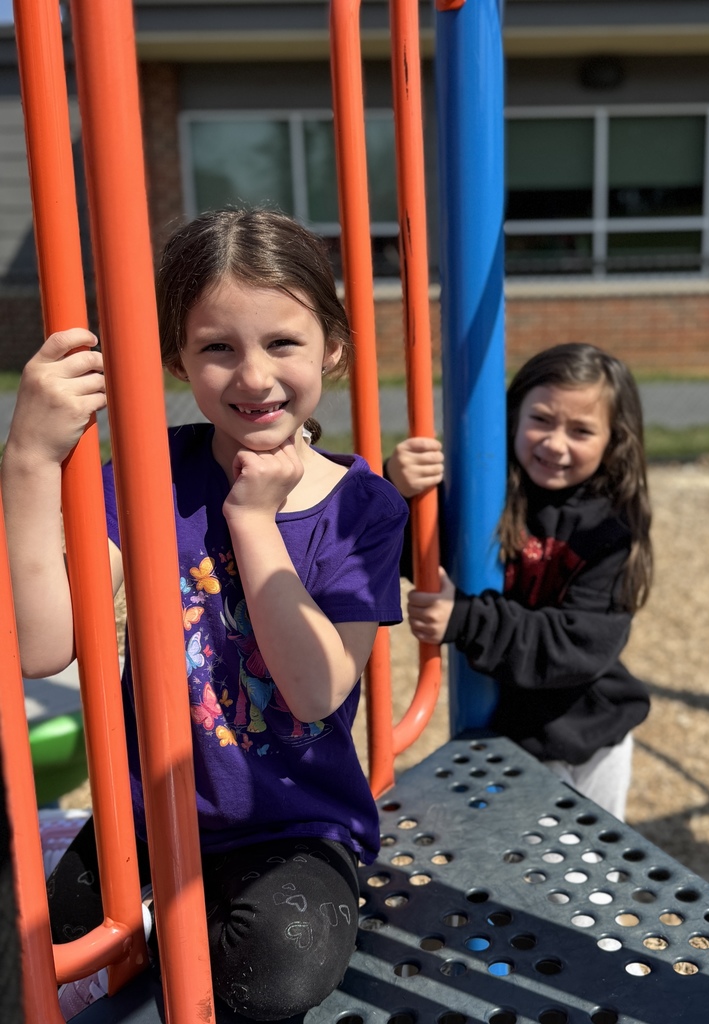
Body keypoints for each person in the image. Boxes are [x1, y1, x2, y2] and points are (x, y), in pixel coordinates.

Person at [1, 207, 408, 1021]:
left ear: (332, 346)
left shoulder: (364, 506)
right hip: (150, 815)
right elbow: (43, 647)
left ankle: (180, 933)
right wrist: (30, 458)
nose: (253, 377)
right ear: (179, 362)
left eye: (282, 343)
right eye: (218, 347)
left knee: (280, 972)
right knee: (21, 960)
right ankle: (164, 925)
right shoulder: (152, 475)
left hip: (294, 823)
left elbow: (317, 690)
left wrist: (253, 523)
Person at [386, 343, 652, 821]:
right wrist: (396, 489)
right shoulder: (487, 492)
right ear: (513, 416)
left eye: (581, 430)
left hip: (588, 734)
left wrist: (464, 619)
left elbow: (579, 644)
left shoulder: (608, 529)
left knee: (583, 873)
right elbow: (415, 554)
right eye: (542, 420)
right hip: (504, 730)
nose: (555, 443)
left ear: (614, 441)